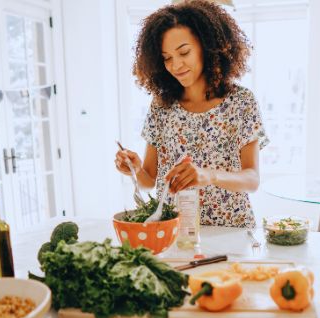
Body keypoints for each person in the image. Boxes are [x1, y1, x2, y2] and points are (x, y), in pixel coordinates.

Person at [114, 0, 269, 228]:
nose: (175, 65)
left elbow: (252, 180)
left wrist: (209, 175)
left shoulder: (241, 102)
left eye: (184, 52)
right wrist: (135, 169)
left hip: (230, 231)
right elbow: (149, 179)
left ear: (207, 46)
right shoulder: (161, 107)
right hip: (174, 231)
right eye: (167, 58)